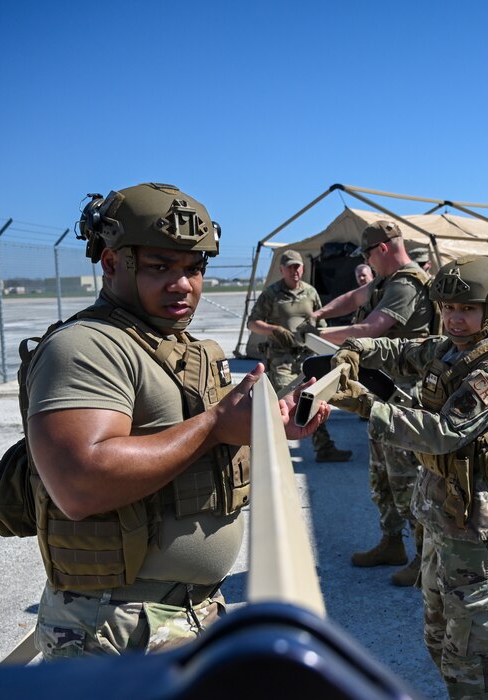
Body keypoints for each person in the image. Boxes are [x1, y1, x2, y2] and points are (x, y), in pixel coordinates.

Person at [24, 182, 328, 659]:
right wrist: (214, 426)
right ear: (110, 263)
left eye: (193, 268)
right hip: (118, 629)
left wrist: (266, 429)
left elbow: (193, 447)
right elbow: (79, 483)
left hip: (189, 613)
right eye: (159, 267)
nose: (182, 284)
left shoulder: (176, 345)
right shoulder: (87, 347)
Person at [328, 255, 488, 700]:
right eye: (448, 309)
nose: (455, 319)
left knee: (474, 668)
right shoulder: (450, 350)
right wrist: (356, 348)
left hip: (477, 541)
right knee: (440, 646)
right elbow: (403, 351)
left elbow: (442, 433)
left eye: (467, 310)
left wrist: (365, 405)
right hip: (443, 525)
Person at [312, 220, 436, 586]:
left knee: (406, 478)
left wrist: (319, 335)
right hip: (384, 391)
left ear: (381, 248)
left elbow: (371, 329)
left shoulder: (406, 284)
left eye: (367, 253)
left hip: (406, 397)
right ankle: (392, 542)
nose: (367, 260)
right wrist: (319, 315)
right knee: (381, 475)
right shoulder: (386, 282)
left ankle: (423, 557)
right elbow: (356, 297)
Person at [247, 249, 351, 462]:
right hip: (281, 358)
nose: (295, 271)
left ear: (303, 268)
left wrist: (317, 332)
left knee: (313, 399)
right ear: (282, 269)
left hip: (306, 357)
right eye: (290, 267)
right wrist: (273, 330)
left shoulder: (311, 292)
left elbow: (321, 323)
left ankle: (324, 448)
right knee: (283, 402)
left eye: (298, 266)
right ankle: (269, 452)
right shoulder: (272, 293)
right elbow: (253, 323)